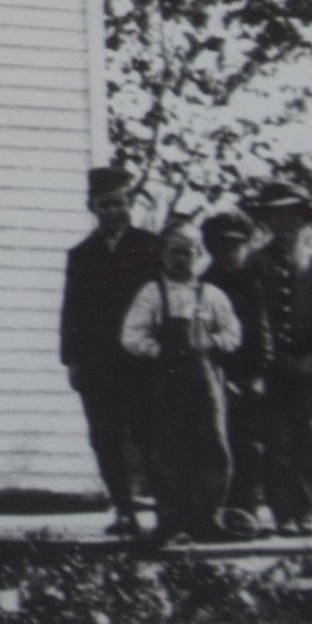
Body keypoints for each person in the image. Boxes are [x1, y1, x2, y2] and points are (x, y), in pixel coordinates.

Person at [121, 222, 246, 546]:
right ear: (163, 254)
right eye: (174, 251)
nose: (181, 259)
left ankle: (209, 517)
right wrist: (158, 350)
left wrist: (214, 342)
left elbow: (234, 333)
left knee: (213, 445)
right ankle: (171, 519)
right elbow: (131, 335)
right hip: (166, 379)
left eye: (188, 252)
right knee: (168, 446)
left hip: (206, 380)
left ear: (198, 255)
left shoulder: (211, 295)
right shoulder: (152, 293)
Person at [60, 166, 165, 538]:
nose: (113, 212)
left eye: (119, 203)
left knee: (149, 434)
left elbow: (166, 303)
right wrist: (71, 360)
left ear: (130, 204)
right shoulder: (82, 255)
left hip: (141, 362)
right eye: (105, 205)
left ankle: (165, 514)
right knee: (106, 436)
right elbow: (71, 310)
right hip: (97, 364)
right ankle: (124, 510)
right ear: (92, 207)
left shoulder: (152, 247)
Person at [254, 184, 312, 534]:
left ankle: (307, 511)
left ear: (303, 220)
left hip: (307, 366)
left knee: (310, 438)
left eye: (292, 215)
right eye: (277, 215)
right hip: (272, 364)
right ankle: (283, 513)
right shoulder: (255, 261)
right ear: (268, 221)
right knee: (277, 441)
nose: (285, 223)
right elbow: (253, 311)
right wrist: (268, 357)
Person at [202, 210, 271, 534]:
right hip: (216, 379)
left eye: (237, 246)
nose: (230, 253)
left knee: (253, 446)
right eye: (222, 247)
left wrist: (257, 375)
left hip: (251, 376)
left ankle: (248, 509)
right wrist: (221, 379)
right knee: (218, 444)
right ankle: (220, 509)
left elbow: (263, 332)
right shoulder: (203, 285)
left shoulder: (255, 282)